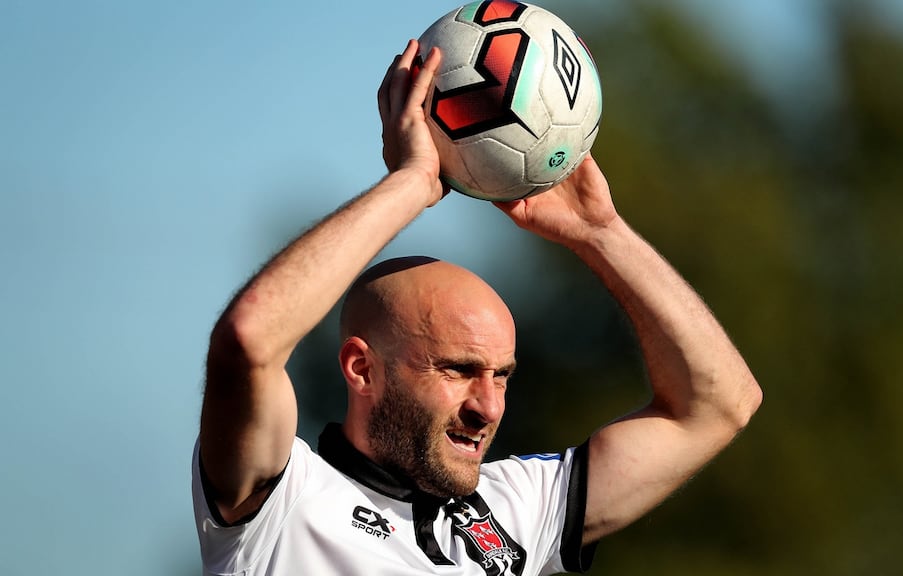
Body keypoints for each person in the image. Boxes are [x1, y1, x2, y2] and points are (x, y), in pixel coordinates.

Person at [192, 40, 762, 576]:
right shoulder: (280, 500)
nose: (488, 406)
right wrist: (414, 182)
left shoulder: (518, 509)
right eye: (459, 370)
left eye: (502, 376)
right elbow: (249, 340)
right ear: (361, 369)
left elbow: (717, 405)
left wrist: (601, 233)